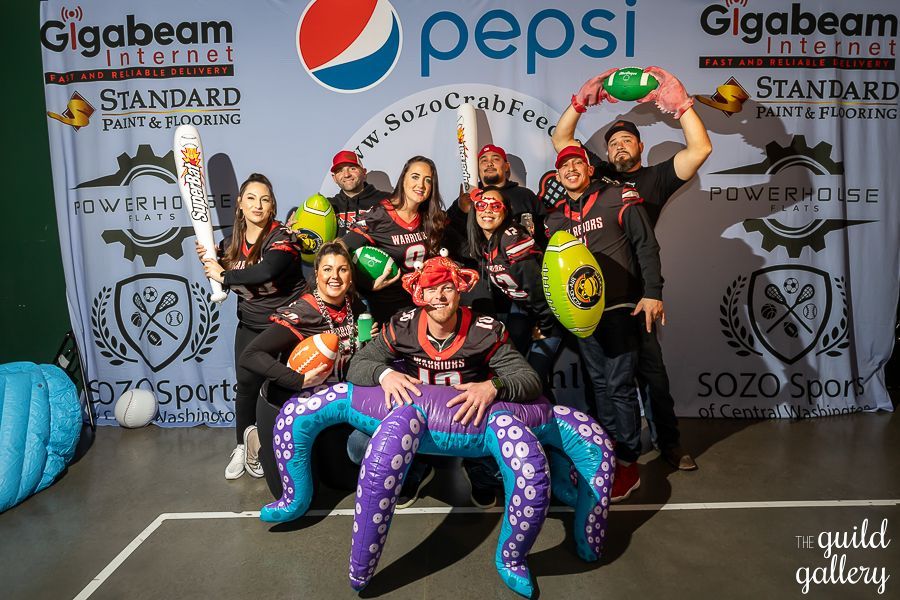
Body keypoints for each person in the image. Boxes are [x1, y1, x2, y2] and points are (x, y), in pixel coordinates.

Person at [552, 66, 712, 471]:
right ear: (602, 158)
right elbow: (562, 141)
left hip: (637, 292)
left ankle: (669, 444)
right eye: (614, 143)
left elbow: (700, 150)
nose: (620, 146)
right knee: (603, 382)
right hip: (592, 300)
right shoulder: (598, 179)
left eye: (628, 140)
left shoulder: (656, 178)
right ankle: (612, 448)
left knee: (651, 374)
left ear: (640, 145)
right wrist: (579, 101)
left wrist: (683, 106)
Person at [345, 255, 542, 508]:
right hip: (415, 422)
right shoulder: (402, 326)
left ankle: (479, 473)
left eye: (447, 288)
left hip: (468, 424)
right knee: (359, 446)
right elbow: (357, 364)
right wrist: (385, 374)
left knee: (504, 459)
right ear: (420, 294)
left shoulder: (484, 330)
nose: (439, 296)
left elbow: (529, 379)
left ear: (459, 291)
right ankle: (416, 467)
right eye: (431, 289)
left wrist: (493, 386)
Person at [546, 145, 665, 502]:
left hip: (620, 307)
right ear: (557, 175)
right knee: (599, 384)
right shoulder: (556, 218)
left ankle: (628, 461)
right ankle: (610, 450)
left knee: (618, 385)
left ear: (589, 169)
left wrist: (654, 291)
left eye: (576, 164)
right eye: (564, 166)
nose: (571, 170)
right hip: (583, 317)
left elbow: (645, 244)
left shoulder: (616, 197)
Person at [196, 173, 307, 481]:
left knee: (285, 388)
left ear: (272, 207)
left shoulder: (282, 237)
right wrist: (210, 262)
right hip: (251, 324)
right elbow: (228, 281)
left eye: (265, 199)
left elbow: (265, 271)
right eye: (251, 198)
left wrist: (223, 275)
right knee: (245, 386)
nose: (258, 204)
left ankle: (285, 448)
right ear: (240, 206)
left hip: (288, 326)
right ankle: (243, 446)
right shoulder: (229, 244)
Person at [241, 241, 371, 498]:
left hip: (329, 406)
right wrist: (297, 380)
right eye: (327, 269)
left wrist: (366, 343)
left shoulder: (354, 307)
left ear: (351, 276)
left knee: (344, 482)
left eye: (343, 270)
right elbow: (250, 355)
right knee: (291, 495)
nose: (335, 277)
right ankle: (256, 440)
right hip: (287, 406)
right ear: (317, 274)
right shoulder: (304, 312)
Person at [465, 186, 562, 394]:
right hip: (525, 309)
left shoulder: (511, 237)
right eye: (482, 205)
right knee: (508, 367)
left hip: (550, 311)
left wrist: (544, 326)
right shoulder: (487, 244)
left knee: (531, 379)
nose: (487, 210)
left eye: (495, 205)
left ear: (506, 211)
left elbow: (537, 288)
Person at [342, 155, 450, 323]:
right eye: (415, 177)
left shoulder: (431, 217)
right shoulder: (380, 215)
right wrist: (361, 284)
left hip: (423, 306)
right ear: (403, 179)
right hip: (389, 311)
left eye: (427, 180)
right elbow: (338, 248)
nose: (420, 185)